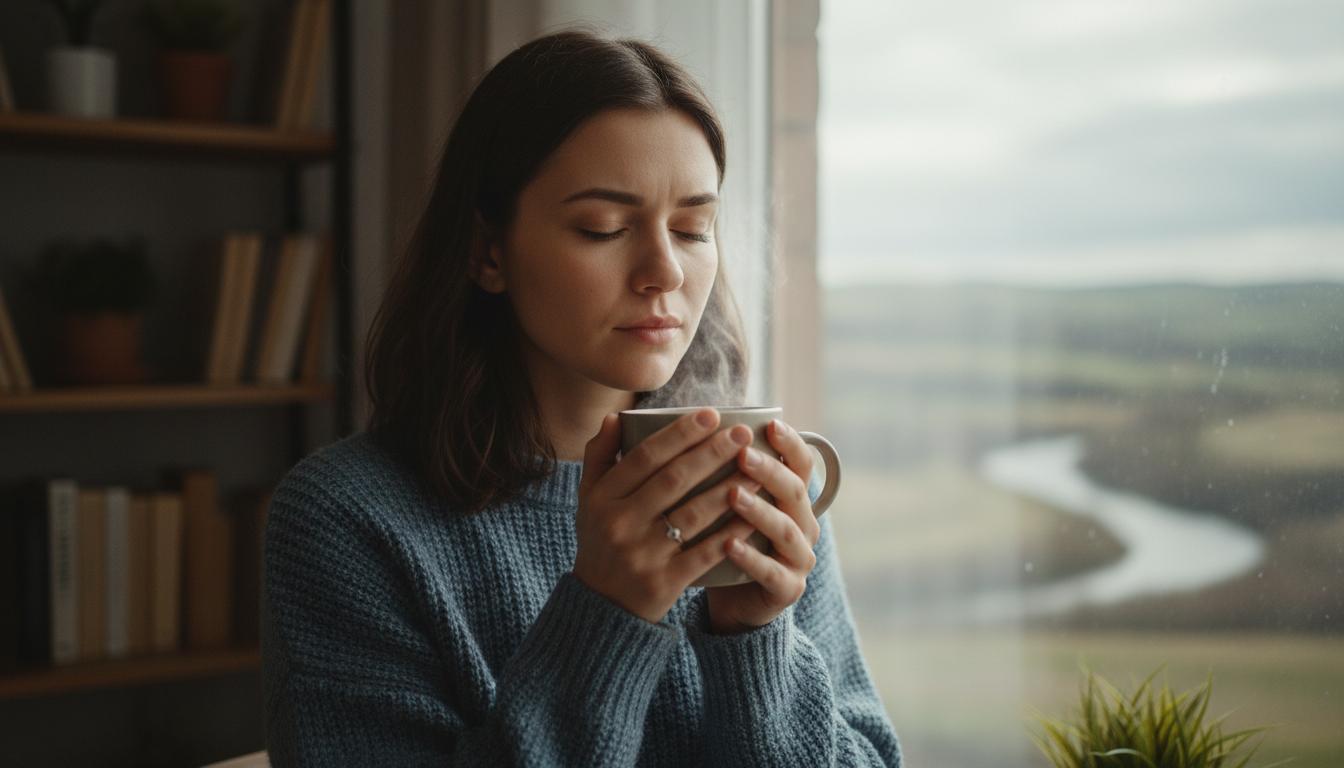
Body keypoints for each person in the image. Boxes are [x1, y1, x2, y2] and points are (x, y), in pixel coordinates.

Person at [262, 27, 903, 767]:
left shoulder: (753, 484)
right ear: (488, 251)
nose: (663, 270)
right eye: (604, 228)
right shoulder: (349, 520)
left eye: (693, 228)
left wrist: (758, 643)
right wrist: (608, 613)